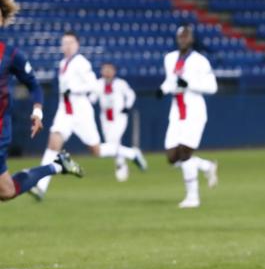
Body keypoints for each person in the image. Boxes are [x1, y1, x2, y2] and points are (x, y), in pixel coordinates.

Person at [32, 31, 147, 200]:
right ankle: (40, 187)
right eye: (64, 43)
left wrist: (75, 90)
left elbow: (92, 84)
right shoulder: (63, 63)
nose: (67, 46)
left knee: (96, 150)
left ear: (77, 45)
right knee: (52, 145)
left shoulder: (81, 63)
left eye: (71, 42)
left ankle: (132, 153)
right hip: (65, 112)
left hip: (81, 113)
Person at [0, 0, 83, 202]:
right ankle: (56, 165)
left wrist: (37, 111)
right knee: (7, 191)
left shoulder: (10, 55)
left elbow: (34, 85)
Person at [158, 24, 218, 208]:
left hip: (194, 112)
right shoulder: (169, 59)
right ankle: (206, 166)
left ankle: (193, 197)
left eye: (187, 36)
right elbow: (171, 80)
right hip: (176, 113)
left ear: (192, 39)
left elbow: (212, 87)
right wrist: (162, 89)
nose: (183, 39)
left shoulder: (200, 61)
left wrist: (189, 83)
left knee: (185, 153)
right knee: (171, 157)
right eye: (181, 37)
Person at [96, 62, 140, 182]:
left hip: (119, 116)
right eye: (105, 69)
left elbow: (131, 94)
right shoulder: (98, 84)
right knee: (111, 142)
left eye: (109, 69)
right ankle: (130, 156)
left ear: (114, 71)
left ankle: (121, 165)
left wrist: (127, 106)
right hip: (105, 118)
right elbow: (92, 97)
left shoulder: (121, 84)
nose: (107, 72)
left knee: (114, 139)